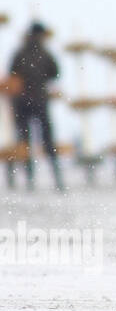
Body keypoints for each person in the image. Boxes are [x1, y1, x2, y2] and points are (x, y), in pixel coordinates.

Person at [7, 21, 66, 191]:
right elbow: (55, 73)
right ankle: (57, 179)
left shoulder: (19, 53)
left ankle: (28, 180)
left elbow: (12, 76)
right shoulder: (45, 53)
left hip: (21, 103)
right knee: (47, 140)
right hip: (40, 101)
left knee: (24, 141)